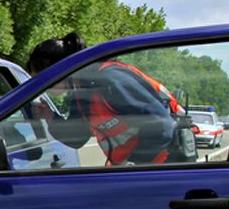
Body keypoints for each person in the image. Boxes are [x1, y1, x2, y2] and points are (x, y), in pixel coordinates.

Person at [26, 32, 193, 166]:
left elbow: (161, 125)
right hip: (141, 168)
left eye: (42, 80)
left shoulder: (109, 79)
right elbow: (76, 138)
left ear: (57, 70)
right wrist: (50, 117)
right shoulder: (81, 93)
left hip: (168, 166)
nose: (42, 87)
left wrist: (135, 165)